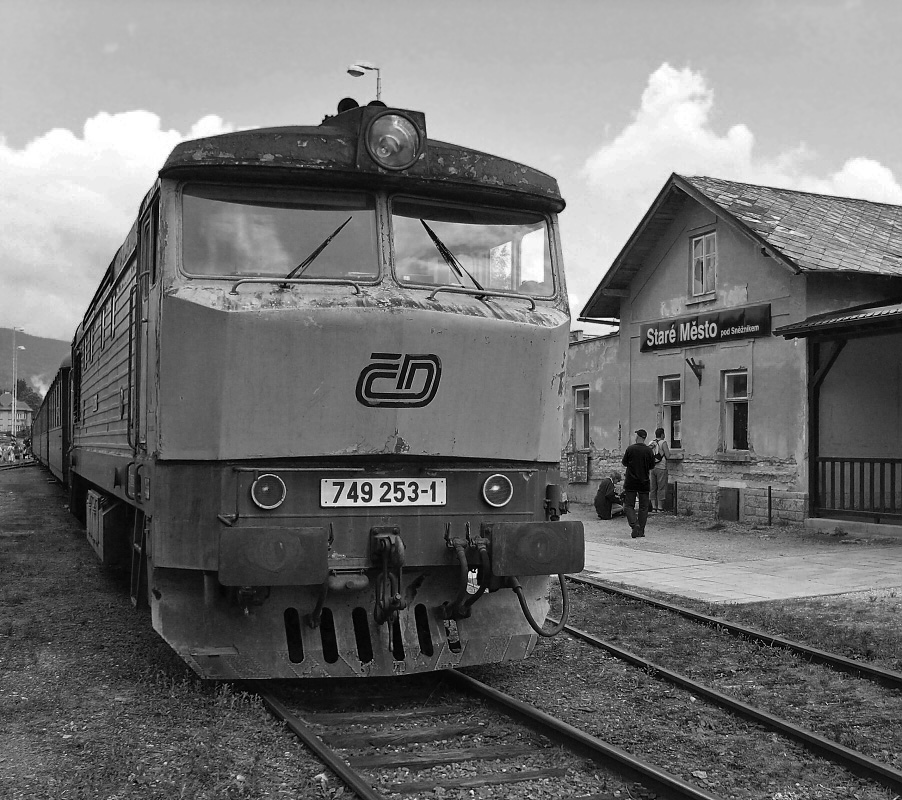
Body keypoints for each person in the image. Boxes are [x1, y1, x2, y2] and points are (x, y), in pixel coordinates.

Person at [621, 429, 655, 538]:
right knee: (644, 507)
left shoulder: (630, 449)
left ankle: (634, 524)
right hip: (644, 482)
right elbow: (652, 466)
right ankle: (641, 530)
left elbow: (624, 462)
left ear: (638, 437)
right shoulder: (649, 451)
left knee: (628, 506)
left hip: (631, 482)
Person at [649, 427, 671, 513]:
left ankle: (653, 507)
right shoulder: (663, 442)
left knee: (652, 487)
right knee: (661, 487)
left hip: (652, 467)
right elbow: (668, 456)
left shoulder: (651, 443)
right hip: (661, 467)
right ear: (662, 434)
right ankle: (660, 507)